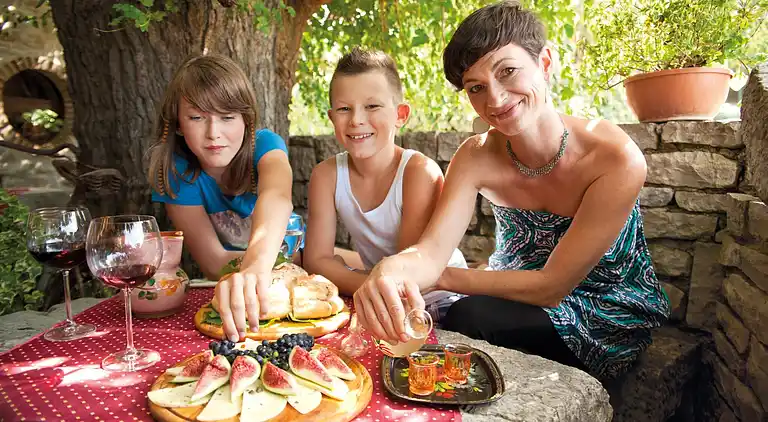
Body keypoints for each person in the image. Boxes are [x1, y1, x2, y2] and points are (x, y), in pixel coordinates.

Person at [352, 1, 670, 379]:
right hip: (511, 292)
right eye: (476, 87)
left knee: (466, 315)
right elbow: (431, 251)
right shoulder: (474, 156)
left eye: (508, 71)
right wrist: (390, 269)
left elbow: (550, 287)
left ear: (545, 62)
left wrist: (440, 277)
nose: (496, 99)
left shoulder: (616, 158)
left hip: (603, 312)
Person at [302, 47, 467, 324]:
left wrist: (343, 273)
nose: (356, 120)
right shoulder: (325, 176)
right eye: (344, 109)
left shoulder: (419, 173)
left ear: (400, 114)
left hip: (443, 300)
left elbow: (408, 278)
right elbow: (316, 261)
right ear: (332, 118)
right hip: (379, 298)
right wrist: (364, 283)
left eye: (372, 106)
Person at [148, 54, 294, 342]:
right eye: (197, 117)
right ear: (177, 123)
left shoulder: (265, 145)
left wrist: (257, 266)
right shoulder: (177, 172)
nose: (214, 133)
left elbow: (277, 196)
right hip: (239, 287)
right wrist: (259, 271)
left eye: (227, 117)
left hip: (305, 264)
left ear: (246, 121)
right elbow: (214, 263)